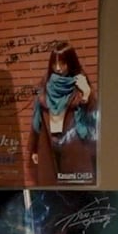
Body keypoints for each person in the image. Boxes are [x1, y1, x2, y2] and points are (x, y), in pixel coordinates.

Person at [24, 41, 97, 185]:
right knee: (51, 189)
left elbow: (93, 118)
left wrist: (86, 94)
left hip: (75, 147)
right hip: (48, 146)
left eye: (63, 63)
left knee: (74, 192)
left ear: (71, 62)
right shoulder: (45, 86)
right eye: (54, 63)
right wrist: (34, 148)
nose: (58, 68)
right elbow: (37, 121)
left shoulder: (81, 84)